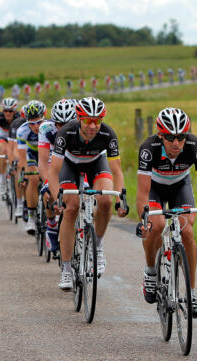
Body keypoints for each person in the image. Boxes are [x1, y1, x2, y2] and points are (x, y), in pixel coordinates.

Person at [136, 107, 197, 318]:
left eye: (181, 137)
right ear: (160, 135)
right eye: (170, 137)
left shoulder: (196, 147)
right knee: (156, 226)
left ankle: (191, 294)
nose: (176, 143)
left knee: (187, 233)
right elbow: (142, 191)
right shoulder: (149, 148)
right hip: (154, 188)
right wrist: (143, 221)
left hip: (181, 186)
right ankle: (150, 272)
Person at [48, 97, 128, 290]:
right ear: (79, 118)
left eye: (98, 121)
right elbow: (53, 171)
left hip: (96, 163)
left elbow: (116, 170)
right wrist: (57, 197)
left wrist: (120, 198)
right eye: (88, 120)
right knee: (71, 207)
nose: (93, 125)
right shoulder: (65, 132)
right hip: (70, 165)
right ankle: (66, 268)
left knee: (106, 201)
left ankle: (97, 247)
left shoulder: (108, 134)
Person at [37, 99, 77, 255]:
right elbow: (43, 160)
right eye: (59, 124)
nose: (63, 128)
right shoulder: (46, 129)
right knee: (48, 194)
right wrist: (49, 184)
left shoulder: (81, 129)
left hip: (73, 162)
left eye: (68, 123)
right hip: (53, 160)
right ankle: (52, 225)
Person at [16, 101, 46, 234]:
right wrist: (23, 174)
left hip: (46, 154)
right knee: (33, 179)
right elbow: (22, 158)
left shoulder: (50, 128)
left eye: (38, 122)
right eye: (32, 123)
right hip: (31, 155)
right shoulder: (22, 131)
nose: (36, 126)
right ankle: (31, 217)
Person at [0, 98, 20, 195]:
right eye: (5, 111)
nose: (7, 113)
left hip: (14, 139)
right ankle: (2, 181)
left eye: (10, 111)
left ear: (14, 111)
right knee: (3, 150)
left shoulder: (18, 118)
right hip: (3, 138)